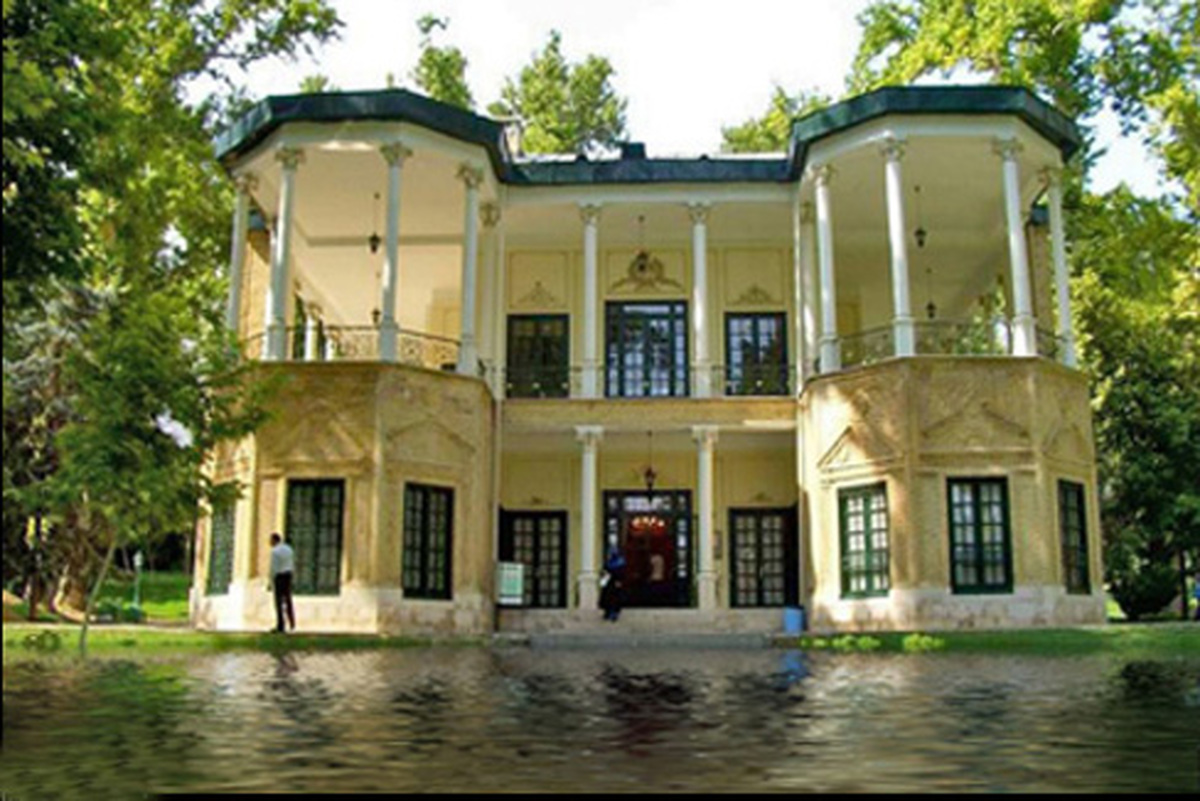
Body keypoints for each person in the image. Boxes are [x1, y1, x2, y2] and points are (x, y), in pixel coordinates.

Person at [269, 533, 296, 633]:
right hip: (288, 575)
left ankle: (281, 625)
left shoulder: (275, 551)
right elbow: (291, 563)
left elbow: (274, 567)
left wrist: (271, 580)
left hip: (279, 576)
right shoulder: (289, 549)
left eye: (271, 540)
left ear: (274, 540)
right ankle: (292, 623)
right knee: (288, 600)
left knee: (278, 602)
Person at [600, 547, 626, 623]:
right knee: (607, 597)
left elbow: (622, 573)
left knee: (615, 598)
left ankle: (614, 613)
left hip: (615, 583)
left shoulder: (620, 562)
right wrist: (603, 579)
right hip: (608, 582)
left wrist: (619, 581)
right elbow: (604, 571)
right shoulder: (608, 562)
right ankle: (607, 612)